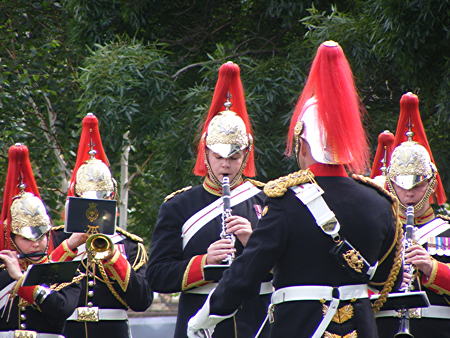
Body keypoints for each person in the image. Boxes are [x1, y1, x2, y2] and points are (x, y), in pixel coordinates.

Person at [187, 41, 403, 338]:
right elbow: (386, 279)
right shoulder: (379, 201)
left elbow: (247, 272)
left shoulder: (286, 201)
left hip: (298, 326)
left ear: (302, 143)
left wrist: (207, 316)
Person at [146, 61, 271, 338]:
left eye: (234, 157)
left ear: (246, 156)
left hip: (256, 319)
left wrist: (255, 244)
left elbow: (291, 268)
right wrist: (202, 263)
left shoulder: (269, 199)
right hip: (200, 320)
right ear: (206, 154)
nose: (225, 166)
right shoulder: (178, 206)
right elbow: (157, 274)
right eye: (218, 157)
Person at [50, 113, 152, 338]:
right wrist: (71, 245)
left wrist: (114, 257)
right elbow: (43, 285)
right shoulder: (56, 239)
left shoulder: (131, 245)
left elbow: (142, 300)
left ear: (111, 199)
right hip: (67, 330)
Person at [374, 92, 450, 337]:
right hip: (385, 328)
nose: (408, 194)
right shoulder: (377, 229)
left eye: (416, 186)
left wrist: (431, 267)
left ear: (429, 183)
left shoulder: (446, 230)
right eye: (401, 186)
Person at [0, 143, 81, 337]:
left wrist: (20, 279)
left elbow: (60, 310)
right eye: (26, 238)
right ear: (12, 238)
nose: (36, 243)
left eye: (41, 236)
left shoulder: (64, 271)